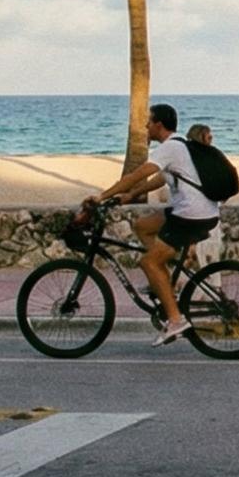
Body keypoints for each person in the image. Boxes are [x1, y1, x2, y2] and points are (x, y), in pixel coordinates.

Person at [89, 102, 217, 345]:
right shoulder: (179, 145)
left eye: (149, 121)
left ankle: (176, 321)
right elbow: (160, 179)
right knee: (142, 226)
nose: (146, 126)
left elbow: (136, 174)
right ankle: (164, 282)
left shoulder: (169, 147)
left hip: (191, 214)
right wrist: (130, 196)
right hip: (192, 211)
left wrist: (102, 196)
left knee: (148, 262)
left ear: (159, 124)